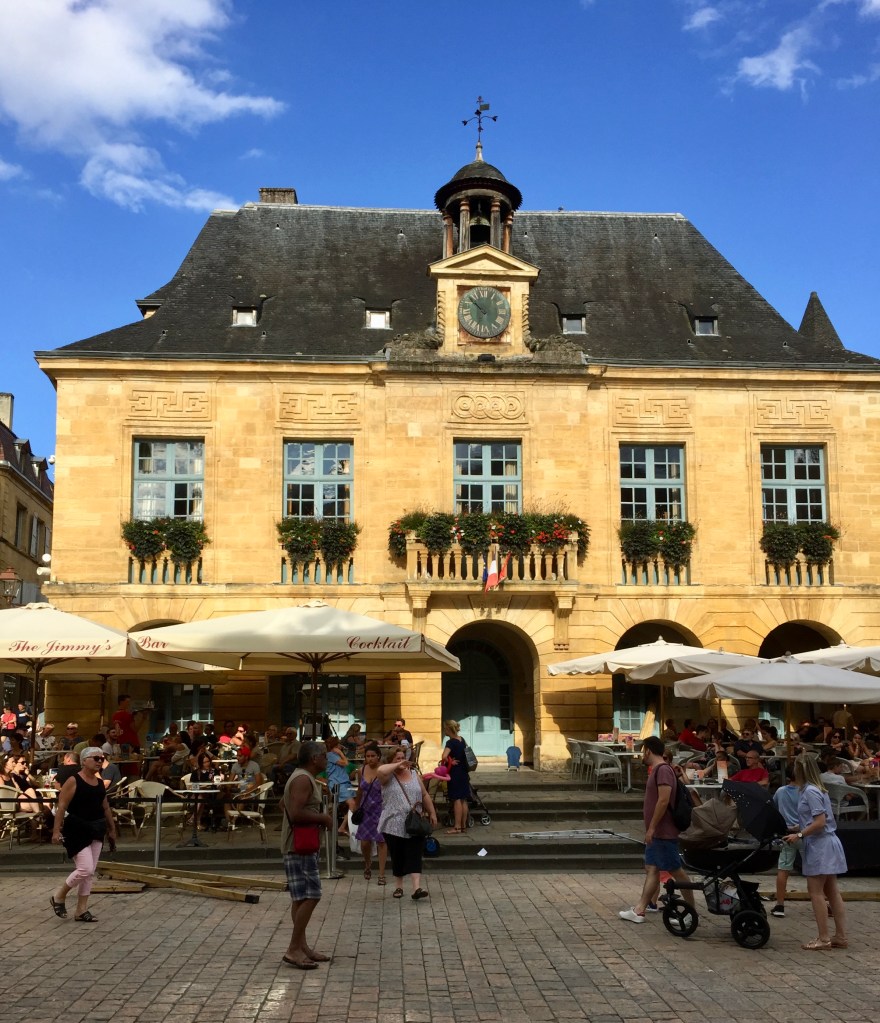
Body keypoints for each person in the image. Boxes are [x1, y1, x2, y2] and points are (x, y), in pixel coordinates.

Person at [618, 735, 694, 923]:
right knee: (652, 868)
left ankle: (691, 912)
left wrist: (651, 828)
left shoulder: (663, 770)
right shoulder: (660, 770)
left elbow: (663, 800)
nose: (642, 755)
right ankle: (640, 910)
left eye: (643, 751)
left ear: (649, 751)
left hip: (663, 831)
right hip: (658, 832)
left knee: (676, 871)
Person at [782, 753, 848, 950]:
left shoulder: (810, 791)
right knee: (832, 891)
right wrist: (797, 828)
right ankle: (840, 936)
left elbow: (819, 822)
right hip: (826, 843)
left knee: (816, 892)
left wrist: (799, 834)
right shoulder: (816, 789)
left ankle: (824, 937)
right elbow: (816, 820)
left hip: (820, 846)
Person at [280, 741, 333, 970]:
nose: (327, 759)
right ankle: (294, 948)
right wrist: (323, 818)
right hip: (299, 846)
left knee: (300, 897)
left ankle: (302, 947)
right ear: (314, 758)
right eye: (324, 755)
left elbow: (284, 804)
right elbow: (295, 812)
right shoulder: (303, 779)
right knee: (313, 894)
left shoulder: (302, 778)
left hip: (297, 844)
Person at [49, 747, 117, 922]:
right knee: (85, 868)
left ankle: (81, 910)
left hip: (96, 828)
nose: (100, 761)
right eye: (96, 758)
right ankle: (59, 895)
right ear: (84, 761)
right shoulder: (74, 780)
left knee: (90, 871)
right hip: (77, 828)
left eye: (102, 758)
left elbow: (105, 807)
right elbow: (61, 806)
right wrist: (56, 830)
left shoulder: (99, 783)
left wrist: (112, 829)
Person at [376, 745, 437, 900]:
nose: (402, 761)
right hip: (393, 824)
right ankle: (399, 886)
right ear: (391, 761)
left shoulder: (414, 774)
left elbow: (424, 794)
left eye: (403, 758)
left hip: (414, 822)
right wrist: (397, 765)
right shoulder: (387, 776)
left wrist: (432, 812)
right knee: (398, 855)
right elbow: (381, 770)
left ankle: (417, 888)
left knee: (415, 853)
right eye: (398, 758)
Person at [351, 742, 388, 884]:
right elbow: (360, 789)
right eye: (368, 756)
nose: (370, 758)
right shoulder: (362, 770)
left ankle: (382, 874)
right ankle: (367, 863)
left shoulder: (384, 770)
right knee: (365, 842)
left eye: (373, 756)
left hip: (380, 809)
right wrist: (356, 805)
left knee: (381, 841)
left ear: (378, 756)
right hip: (365, 809)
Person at [771, 765, 802, 918]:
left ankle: (780, 904)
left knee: (783, 869)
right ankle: (825, 903)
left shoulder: (780, 791)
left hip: (786, 834)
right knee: (815, 872)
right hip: (804, 833)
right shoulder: (806, 792)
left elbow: (774, 809)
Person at [441, 719, 471, 835]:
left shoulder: (450, 742)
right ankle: (463, 826)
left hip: (455, 773)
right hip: (464, 772)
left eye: (445, 728)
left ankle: (457, 827)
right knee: (463, 799)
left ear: (449, 729)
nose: (444, 730)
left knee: (457, 799)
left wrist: (450, 761)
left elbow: (444, 756)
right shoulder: (462, 740)